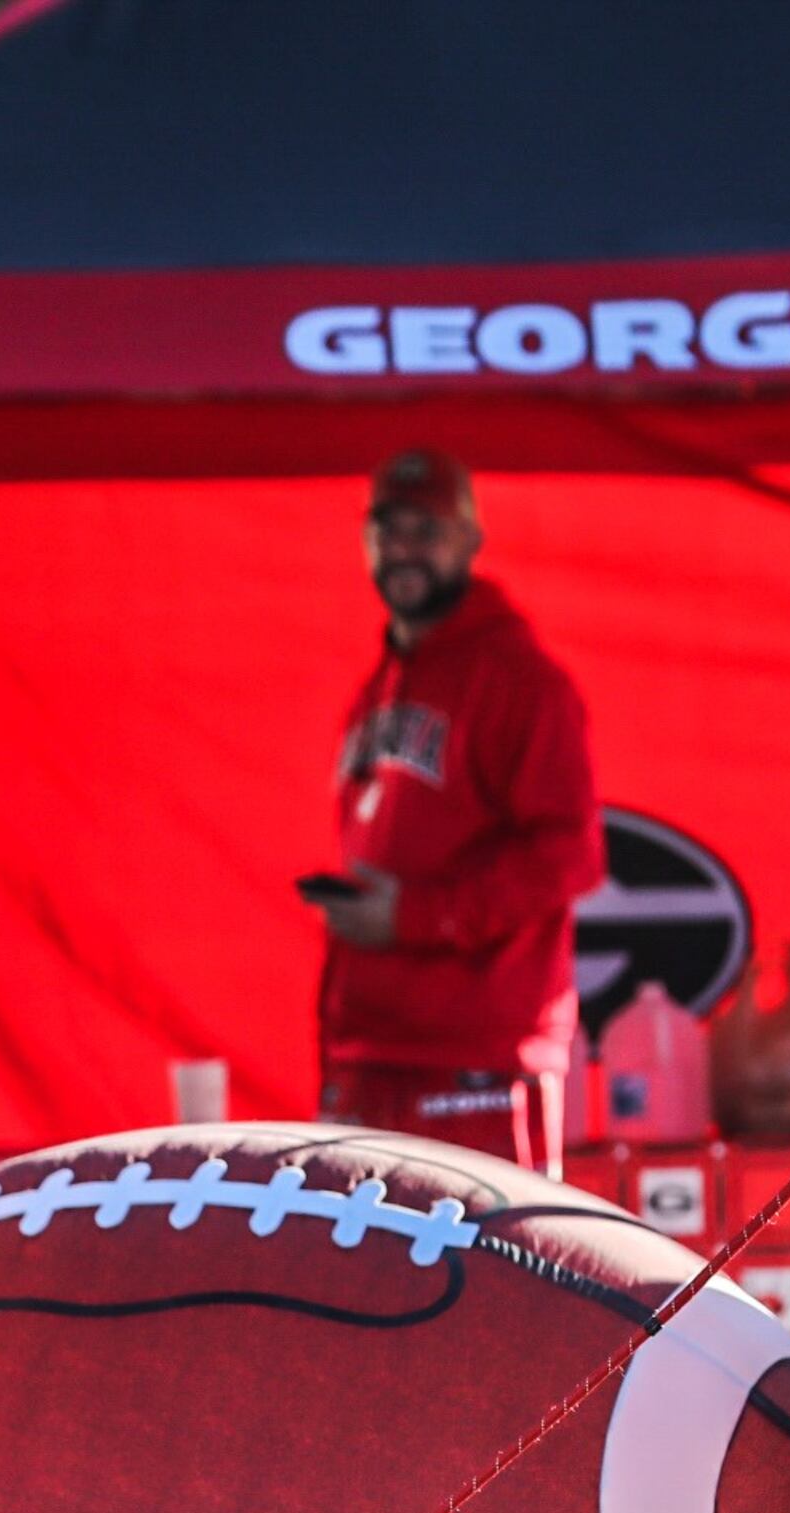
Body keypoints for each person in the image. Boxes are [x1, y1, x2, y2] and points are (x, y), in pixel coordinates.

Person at [305, 448, 602, 1175]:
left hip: (478, 1067)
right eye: (388, 529)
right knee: (357, 1285)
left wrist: (412, 917)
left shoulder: (520, 681)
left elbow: (569, 856)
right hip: (373, 1058)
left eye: (426, 530)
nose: (405, 550)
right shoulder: (382, 681)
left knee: (487, 1285)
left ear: (470, 540)